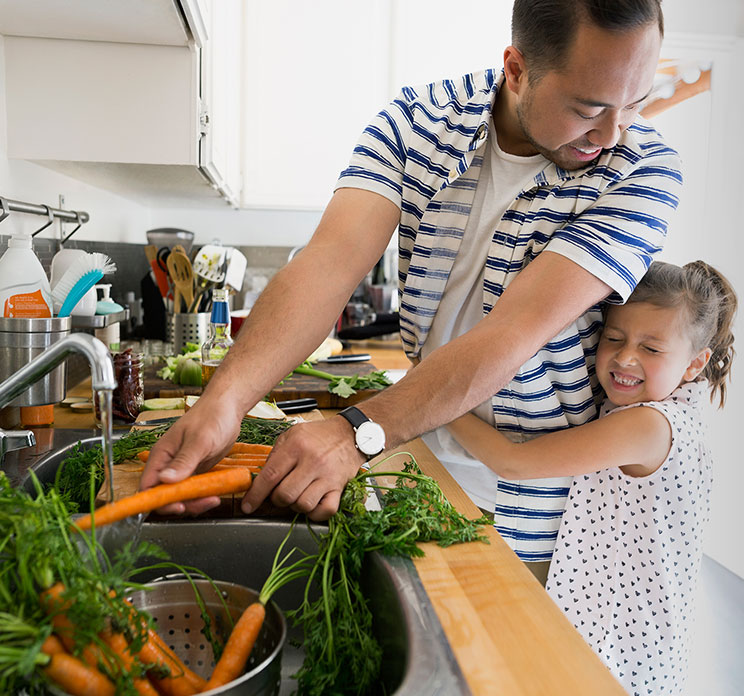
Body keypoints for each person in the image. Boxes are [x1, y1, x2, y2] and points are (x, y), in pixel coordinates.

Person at [141, 0, 682, 579]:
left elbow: (512, 333)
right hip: (408, 468)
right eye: (589, 108)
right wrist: (224, 403)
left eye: (635, 103)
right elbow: (328, 262)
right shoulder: (417, 119)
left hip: (536, 519)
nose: (614, 132)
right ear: (517, 69)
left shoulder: (645, 170)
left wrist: (357, 433)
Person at [445, 260, 737, 695]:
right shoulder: (680, 408)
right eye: (613, 338)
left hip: (623, 643)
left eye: (651, 349)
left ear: (695, 363)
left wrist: (434, 401)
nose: (625, 357)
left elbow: (514, 462)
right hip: (646, 632)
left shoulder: (648, 427)